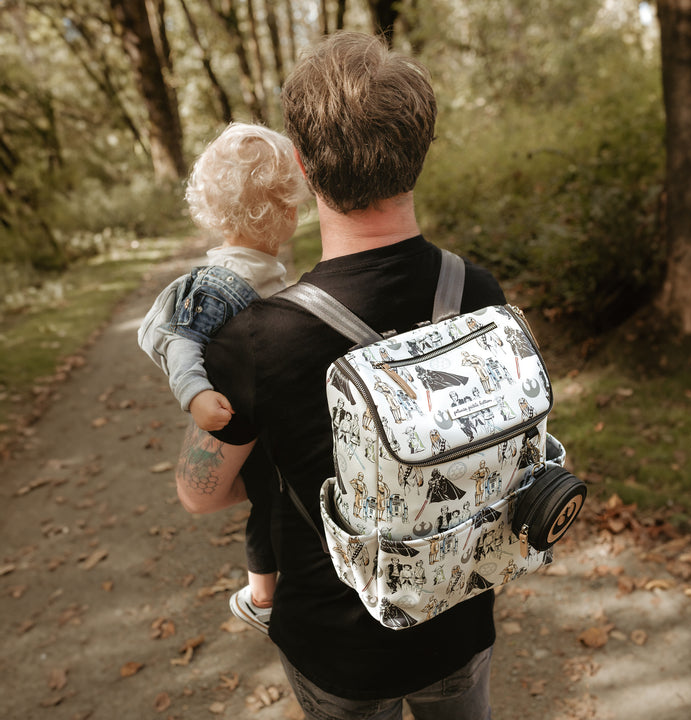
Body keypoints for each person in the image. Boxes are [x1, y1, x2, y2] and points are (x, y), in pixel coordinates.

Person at [174, 32, 506, 719]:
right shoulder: (475, 291)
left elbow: (199, 493)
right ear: (419, 148)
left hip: (339, 647)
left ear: (301, 164)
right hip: (459, 609)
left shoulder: (258, 340)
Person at [138, 122, 308, 633]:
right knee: (269, 501)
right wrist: (197, 396)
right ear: (283, 211)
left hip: (260, 407)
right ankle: (262, 600)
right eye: (291, 202)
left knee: (272, 500)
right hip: (237, 413)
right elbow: (182, 340)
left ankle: (268, 592)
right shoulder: (221, 283)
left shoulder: (259, 268)